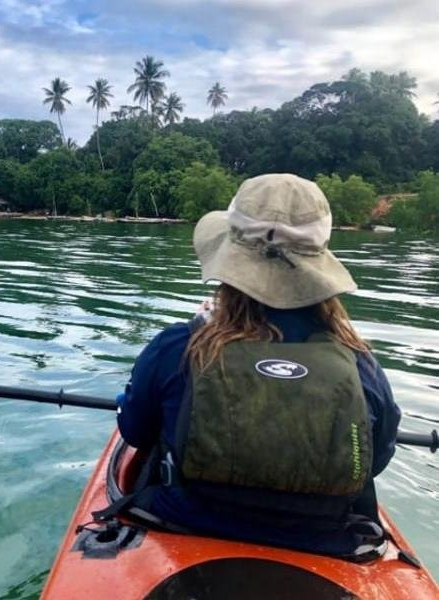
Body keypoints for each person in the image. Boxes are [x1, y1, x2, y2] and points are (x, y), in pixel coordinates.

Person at [116, 173, 401, 556]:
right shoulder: (360, 365)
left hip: (179, 524)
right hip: (322, 543)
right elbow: (375, 459)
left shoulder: (178, 348)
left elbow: (134, 432)